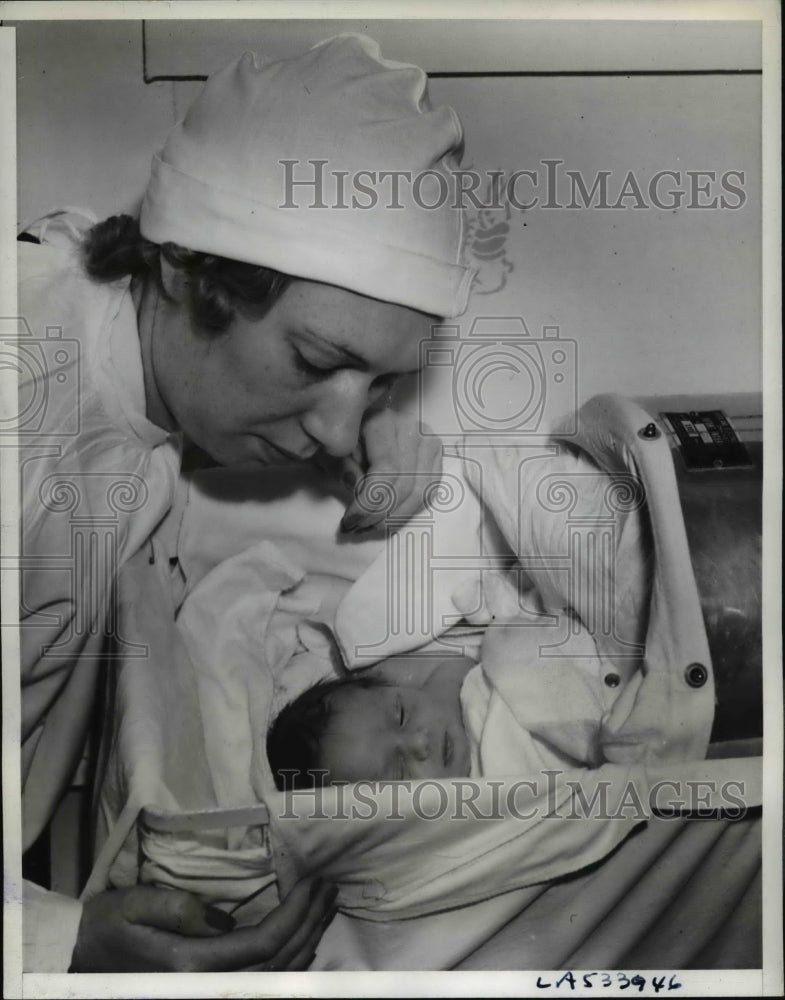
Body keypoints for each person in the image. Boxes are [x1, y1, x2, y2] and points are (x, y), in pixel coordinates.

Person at [17, 33, 476, 972]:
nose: (343, 432)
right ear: (188, 273)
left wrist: (363, 406)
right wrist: (57, 947)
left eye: (383, 379)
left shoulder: (105, 295)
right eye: (314, 361)